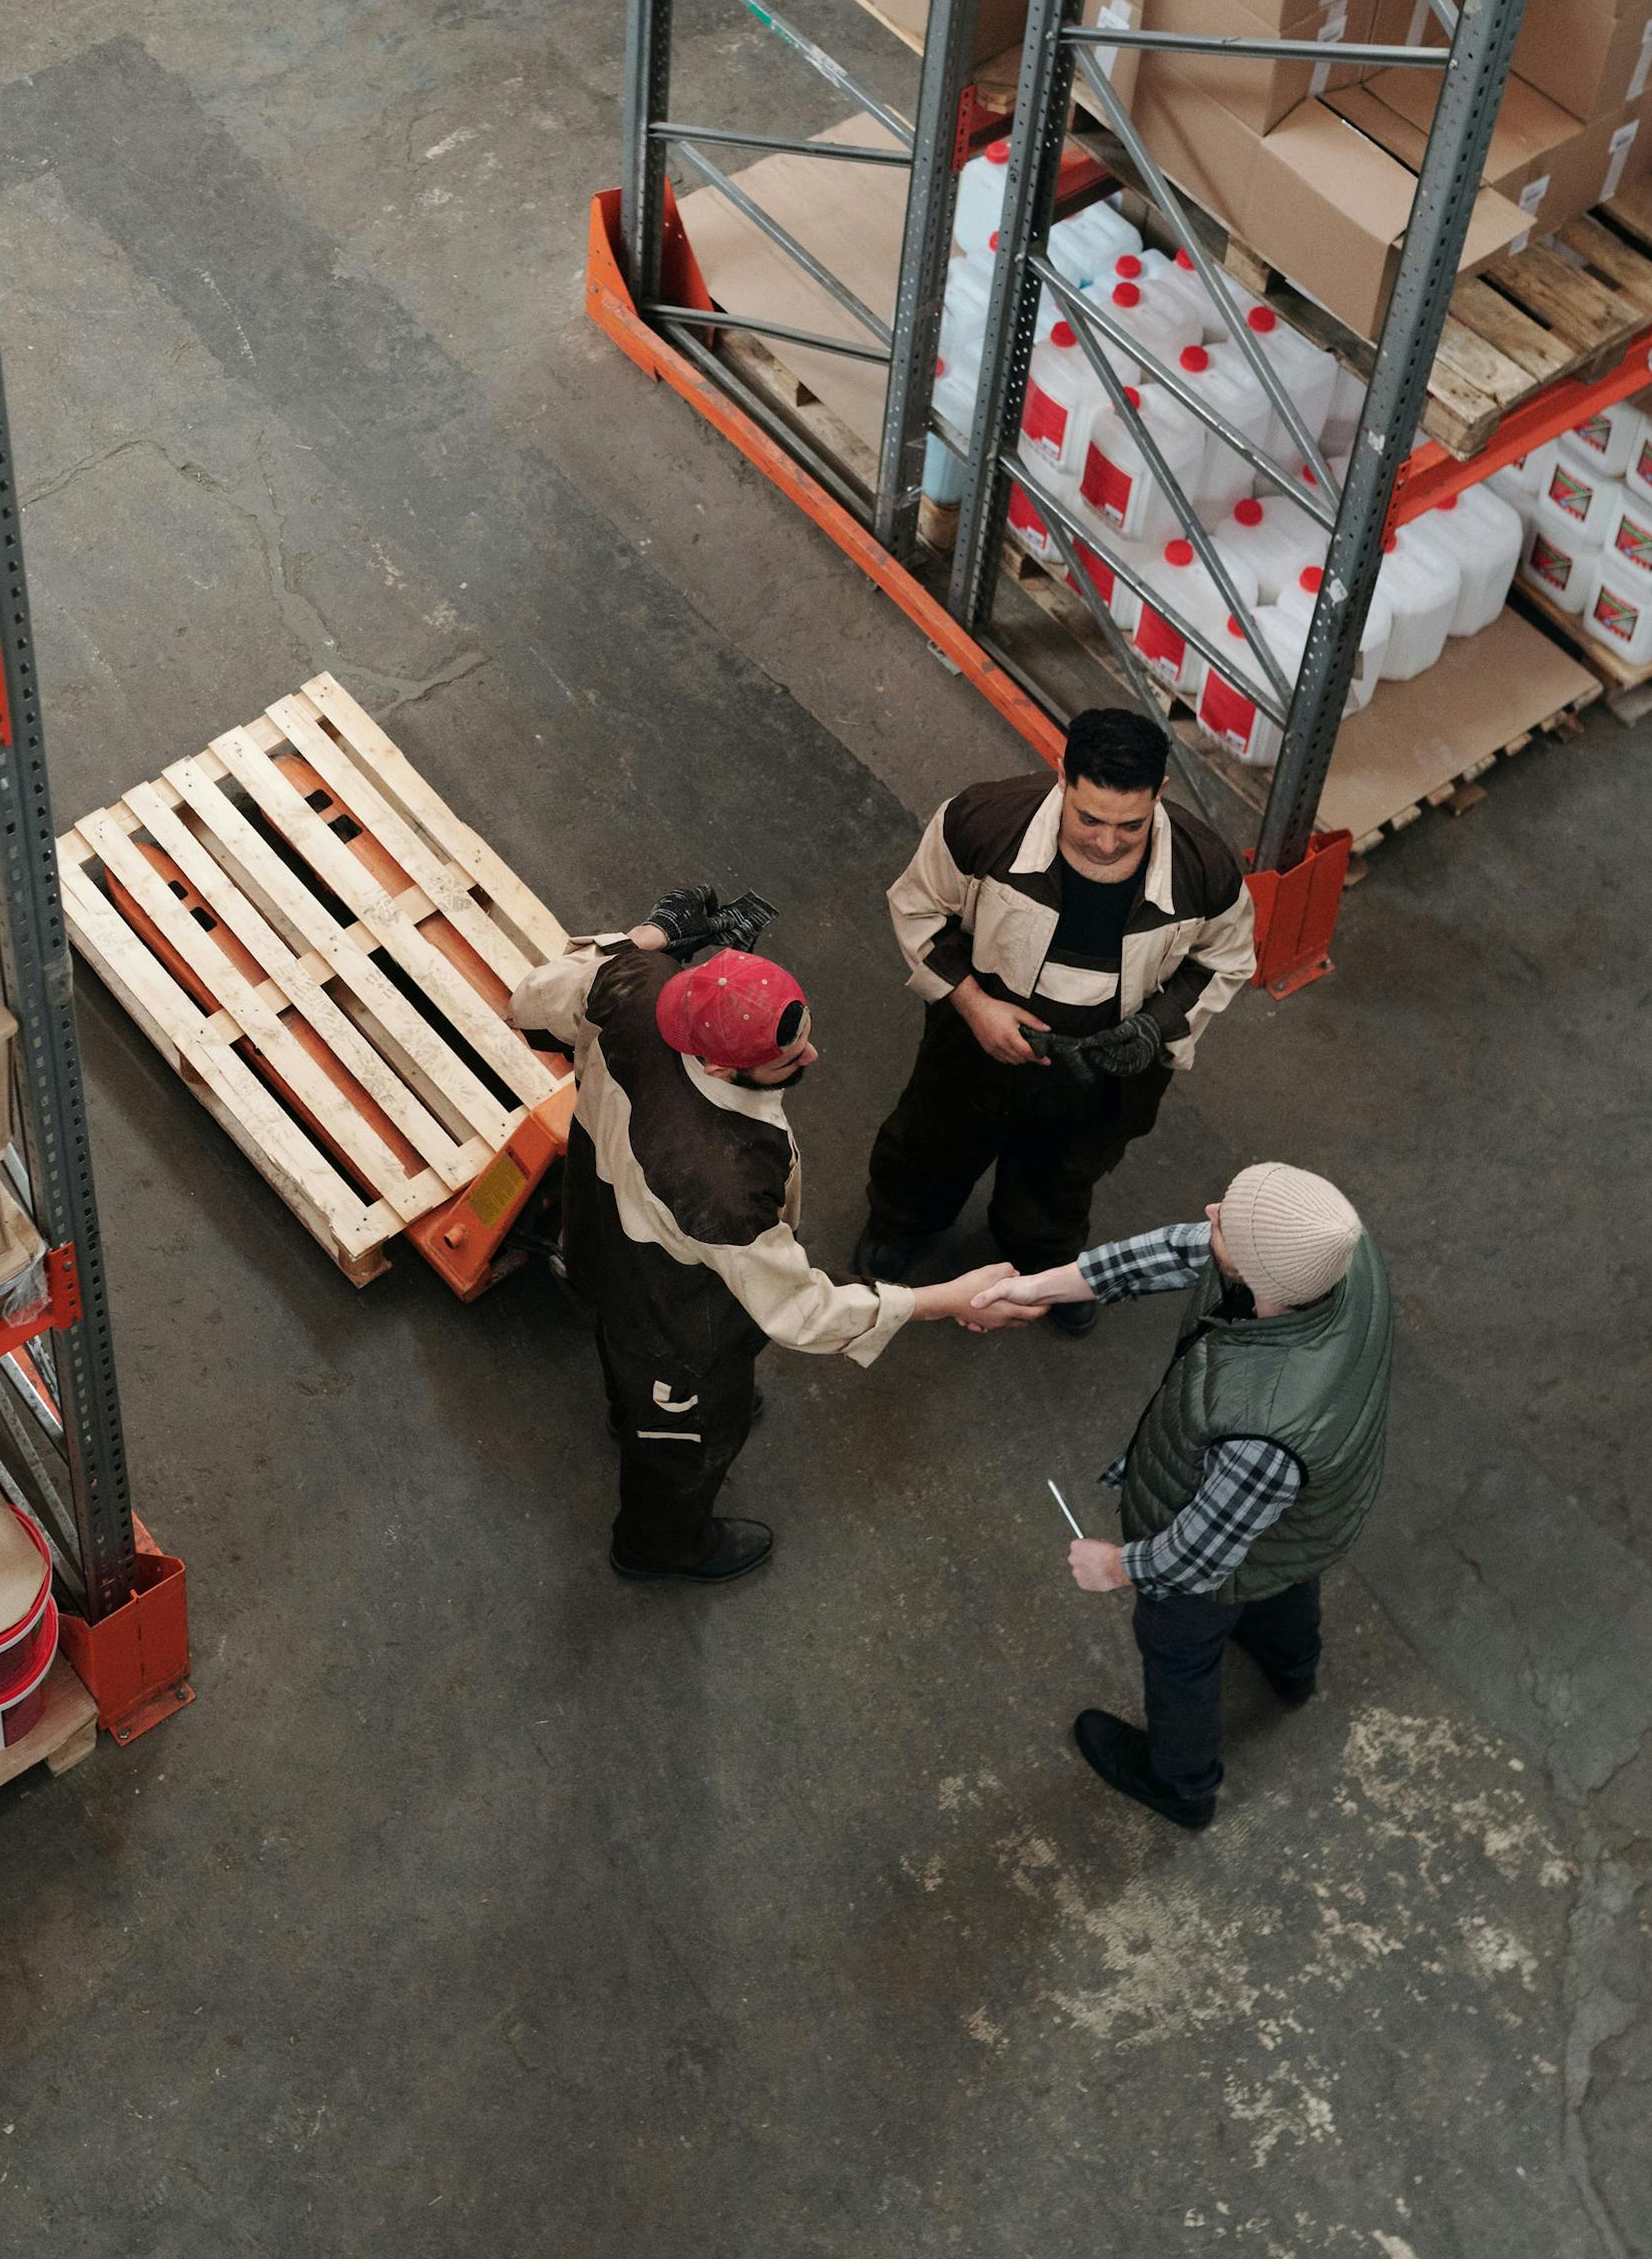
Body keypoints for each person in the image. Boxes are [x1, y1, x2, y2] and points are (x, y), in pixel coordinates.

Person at [511, 913, 1017, 1585]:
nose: (810, 1059)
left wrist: (655, 932)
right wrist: (938, 1300)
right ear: (720, 1063)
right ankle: (658, 1546)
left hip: (602, 1232)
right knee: (688, 1440)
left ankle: (629, 1413)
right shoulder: (719, 1182)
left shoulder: (635, 982)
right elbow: (801, 1311)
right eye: (788, 1059)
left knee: (617, 1336)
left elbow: (530, 999)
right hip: (677, 1320)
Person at [991, 1162, 1389, 1830]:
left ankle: (1183, 1785)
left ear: (1256, 1276)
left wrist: (1115, 1568)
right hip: (1311, 1516)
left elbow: (1198, 1558)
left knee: (1177, 1645)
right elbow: (1184, 1249)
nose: (1208, 1212)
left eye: (1226, 1223)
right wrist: (1040, 1286)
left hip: (1238, 1533)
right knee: (1283, 1574)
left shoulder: (1264, 1433)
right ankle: (1291, 1668)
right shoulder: (1335, 1247)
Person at [856, 709, 1258, 1336]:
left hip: (1108, 1067)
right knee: (932, 1140)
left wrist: (1156, 1025)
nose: (1105, 842)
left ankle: (1046, 1263)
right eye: (1089, 818)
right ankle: (902, 1225)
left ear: (1162, 794)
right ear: (1062, 778)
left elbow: (1224, 959)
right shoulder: (982, 824)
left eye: (1130, 824)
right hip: (975, 1045)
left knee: (1066, 1172)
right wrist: (974, 1005)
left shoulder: (1204, 870)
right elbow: (918, 910)